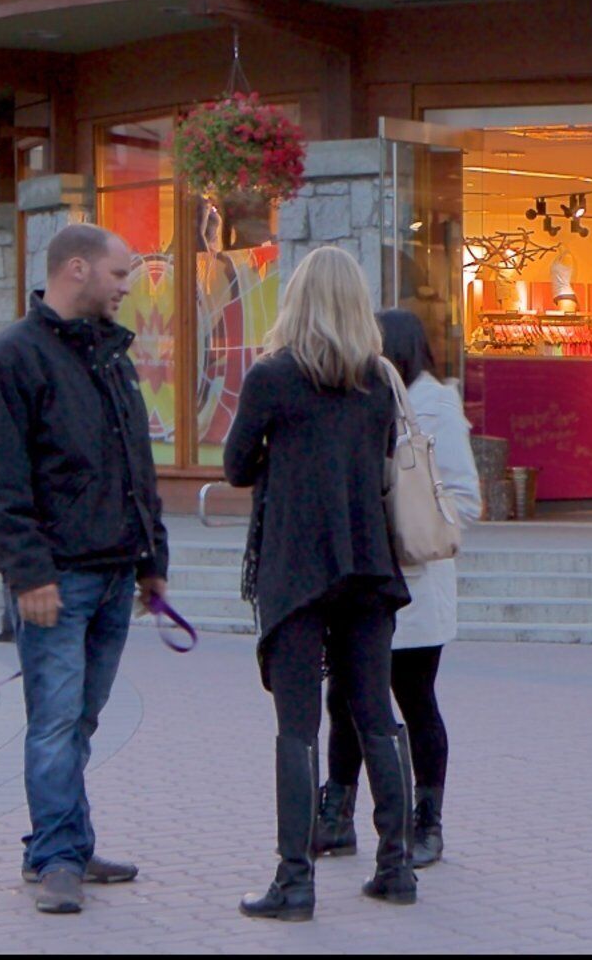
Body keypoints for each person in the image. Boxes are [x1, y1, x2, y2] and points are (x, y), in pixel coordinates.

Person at [0, 221, 173, 916]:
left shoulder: (110, 357)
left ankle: (66, 845)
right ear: (77, 269)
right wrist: (28, 575)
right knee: (54, 722)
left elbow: (136, 465)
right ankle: (56, 858)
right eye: (118, 276)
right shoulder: (11, 359)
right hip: (56, 577)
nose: (125, 290)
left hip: (114, 571)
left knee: (79, 720)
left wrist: (152, 562)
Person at [225, 245, 417, 919]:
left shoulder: (272, 377)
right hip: (368, 564)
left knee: (298, 725)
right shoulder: (380, 381)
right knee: (374, 713)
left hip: (297, 565)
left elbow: (235, 466)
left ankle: (295, 879)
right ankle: (397, 865)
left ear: (297, 301)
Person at [321, 310, 477, 872]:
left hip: (415, 580)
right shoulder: (364, 401)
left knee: (414, 699)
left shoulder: (436, 408)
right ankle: (335, 814)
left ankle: (426, 820)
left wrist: (409, 519)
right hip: (362, 579)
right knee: (343, 698)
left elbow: (464, 499)